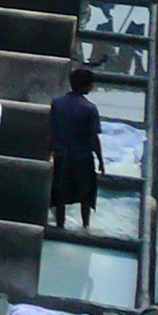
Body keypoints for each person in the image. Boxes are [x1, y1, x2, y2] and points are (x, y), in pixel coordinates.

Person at [49, 65, 106, 229]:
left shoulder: (57, 104)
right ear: (86, 85)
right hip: (82, 158)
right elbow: (93, 138)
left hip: (62, 156)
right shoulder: (89, 108)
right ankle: (85, 226)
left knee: (60, 193)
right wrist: (101, 160)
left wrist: (49, 152)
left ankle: (60, 226)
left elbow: (51, 131)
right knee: (85, 194)